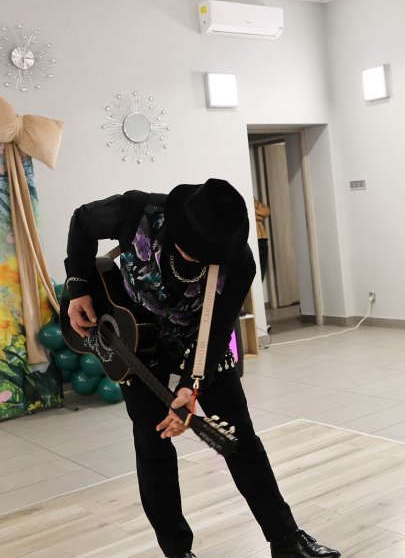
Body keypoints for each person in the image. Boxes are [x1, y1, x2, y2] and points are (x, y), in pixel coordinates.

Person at [64, 179, 339, 558]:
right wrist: (78, 287)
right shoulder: (137, 211)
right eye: (191, 251)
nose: (198, 260)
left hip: (199, 340)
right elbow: (82, 221)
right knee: (154, 445)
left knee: (240, 440)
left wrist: (189, 386)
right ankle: (177, 551)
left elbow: (219, 328)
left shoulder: (238, 261)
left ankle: (286, 539)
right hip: (134, 340)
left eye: (208, 255)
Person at [254, 197, 270, 282]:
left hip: (261, 239)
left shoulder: (253, 200)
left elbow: (266, 211)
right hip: (250, 240)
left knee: (261, 272)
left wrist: (254, 213)